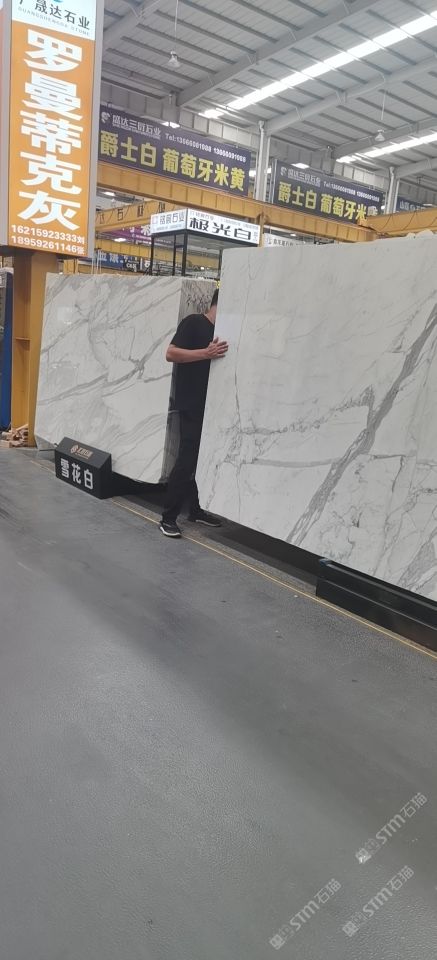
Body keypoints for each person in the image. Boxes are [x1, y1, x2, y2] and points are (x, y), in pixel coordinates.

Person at [159, 289, 228, 538]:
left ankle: (195, 510)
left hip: (214, 407)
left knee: (203, 460)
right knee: (187, 459)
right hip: (192, 404)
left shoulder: (224, 331)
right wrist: (204, 353)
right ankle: (168, 517)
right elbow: (171, 353)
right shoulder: (194, 322)